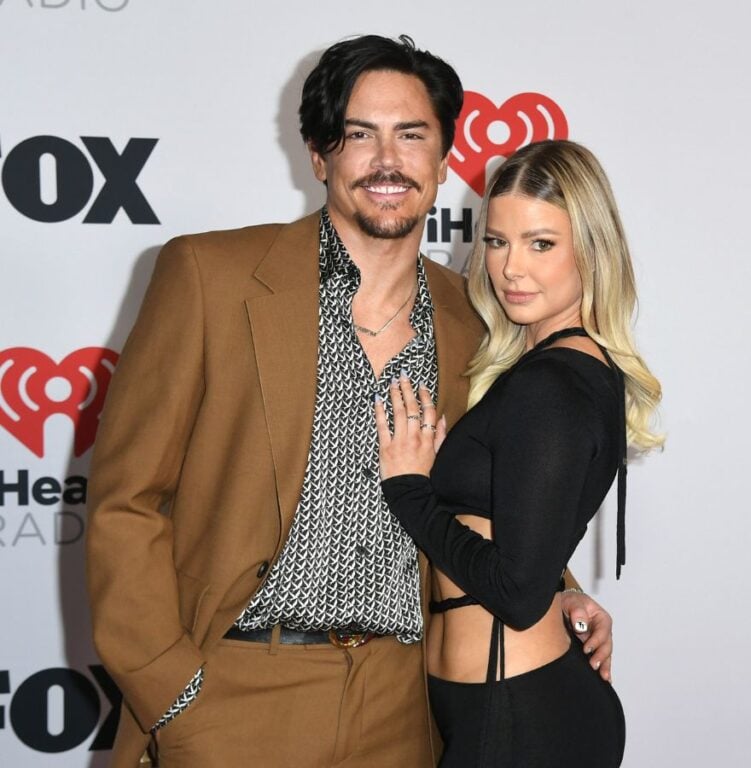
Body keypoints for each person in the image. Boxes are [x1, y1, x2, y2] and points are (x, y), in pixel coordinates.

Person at [85, 36, 613, 768]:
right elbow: (124, 500)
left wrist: (557, 587)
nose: (387, 159)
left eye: (411, 135)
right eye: (359, 134)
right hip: (237, 696)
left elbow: (492, 483)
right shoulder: (211, 278)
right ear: (318, 154)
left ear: (443, 157)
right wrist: (173, 693)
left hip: (407, 708)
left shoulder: (478, 323)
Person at [375, 139, 663, 767]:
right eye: (498, 242)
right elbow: (530, 552)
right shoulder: (549, 368)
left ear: (590, 251)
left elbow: (517, 591)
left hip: (520, 717)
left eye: (541, 244)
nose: (511, 269)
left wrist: (409, 490)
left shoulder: (551, 383)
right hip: (493, 706)